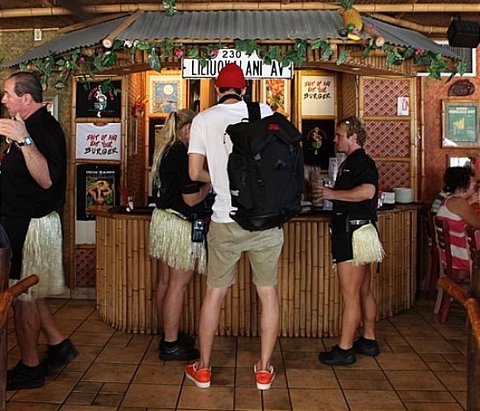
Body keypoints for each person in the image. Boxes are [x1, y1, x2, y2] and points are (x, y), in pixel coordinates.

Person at [185, 63, 283, 390]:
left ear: (217, 89)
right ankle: (264, 370)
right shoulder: (264, 111)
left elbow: (194, 173)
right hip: (264, 219)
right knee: (267, 294)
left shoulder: (202, 120)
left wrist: (223, 180)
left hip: (225, 219)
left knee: (214, 294)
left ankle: (203, 368)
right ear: (245, 89)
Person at [0, 72, 77, 390]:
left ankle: (31, 367)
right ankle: (58, 344)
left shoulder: (42, 129)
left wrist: (24, 140)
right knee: (27, 293)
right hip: (18, 220)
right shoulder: (27, 125)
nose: (3, 100)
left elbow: (46, 179)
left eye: (8, 94)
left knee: (24, 297)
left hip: (29, 224)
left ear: (26, 98)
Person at [313, 116, 383, 366]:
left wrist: (332, 194)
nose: (335, 140)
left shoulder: (360, 162)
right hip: (361, 231)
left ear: (353, 137)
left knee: (351, 294)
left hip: (353, 233)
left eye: (339, 135)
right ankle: (369, 339)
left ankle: (345, 349)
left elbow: (368, 191)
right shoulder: (352, 162)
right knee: (363, 290)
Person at [149, 109, 211, 361]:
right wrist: (209, 185)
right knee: (178, 284)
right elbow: (191, 198)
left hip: (163, 220)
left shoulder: (165, 150)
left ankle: (167, 334)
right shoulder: (183, 153)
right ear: (187, 129)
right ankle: (171, 344)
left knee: (165, 281)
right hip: (178, 224)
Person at [436, 166, 480, 271]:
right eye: (472, 181)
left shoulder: (449, 200)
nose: (475, 184)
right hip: (463, 260)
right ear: (462, 186)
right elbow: (478, 224)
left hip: (452, 257)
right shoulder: (459, 203)